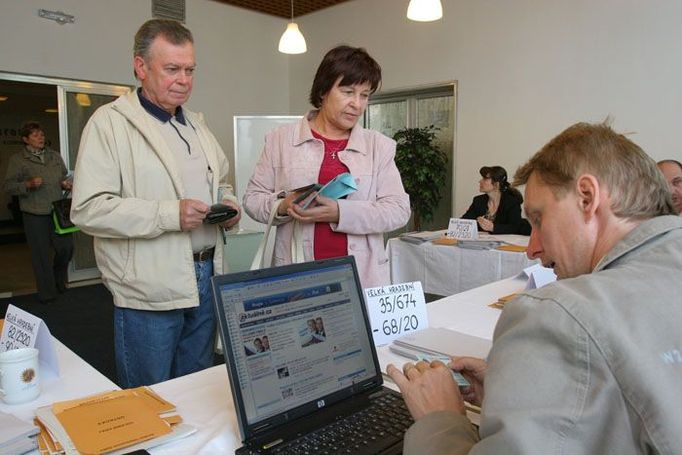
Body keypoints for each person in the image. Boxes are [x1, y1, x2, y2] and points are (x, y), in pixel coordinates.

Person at [387, 122, 682, 454]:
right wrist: (521, 388)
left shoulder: (558, 316)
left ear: (587, 197)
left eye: (539, 219)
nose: (533, 249)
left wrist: (440, 418)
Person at [71, 19, 241, 388]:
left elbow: (221, 181)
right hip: (148, 284)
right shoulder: (110, 124)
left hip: (206, 274)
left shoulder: (197, 125)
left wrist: (227, 205)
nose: (184, 79)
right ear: (141, 67)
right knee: (150, 394)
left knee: (196, 386)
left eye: (190, 70)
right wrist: (170, 214)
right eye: (172, 69)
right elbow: (88, 208)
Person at [243, 45, 410, 289]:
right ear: (323, 91)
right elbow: (252, 199)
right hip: (297, 276)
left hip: (360, 279)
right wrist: (282, 205)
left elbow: (398, 210)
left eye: (364, 95)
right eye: (348, 92)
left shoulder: (379, 147)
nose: (357, 104)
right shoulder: (280, 140)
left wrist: (340, 213)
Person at [3, 122, 73, 304]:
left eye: (41, 134)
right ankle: (47, 293)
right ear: (26, 140)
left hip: (57, 211)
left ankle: (58, 276)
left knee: (66, 248)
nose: (40, 137)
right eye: (35, 135)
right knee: (41, 255)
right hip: (34, 213)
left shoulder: (54, 156)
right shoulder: (18, 160)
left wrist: (65, 183)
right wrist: (27, 184)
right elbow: (8, 186)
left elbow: (64, 176)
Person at [461, 165, 524, 234]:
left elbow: (515, 227)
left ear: (496, 184)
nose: (480, 181)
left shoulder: (511, 202)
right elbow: (464, 221)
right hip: (481, 242)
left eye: (485, 179)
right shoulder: (478, 200)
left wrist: (493, 227)